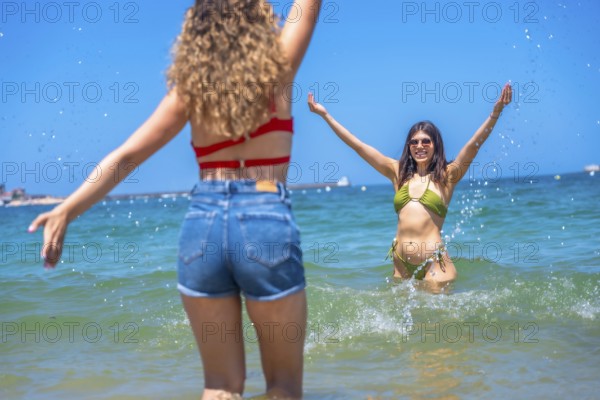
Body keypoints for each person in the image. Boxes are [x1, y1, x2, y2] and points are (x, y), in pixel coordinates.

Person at [28, 1, 322, 398]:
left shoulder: (191, 90)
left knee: (219, 387)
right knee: (283, 387)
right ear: (257, 19)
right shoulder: (279, 68)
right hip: (264, 212)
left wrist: (68, 208)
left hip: (203, 222)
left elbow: (126, 156)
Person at [308, 83, 513, 286]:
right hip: (401, 263)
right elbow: (358, 146)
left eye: (426, 141)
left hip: (434, 263)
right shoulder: (398, 173)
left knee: (436, 319)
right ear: (409, 146)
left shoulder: (447, 176)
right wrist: (326, 116)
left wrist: (495, 113)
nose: (419, 146)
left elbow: (473, 146)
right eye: (414, 142)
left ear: (435, 145)